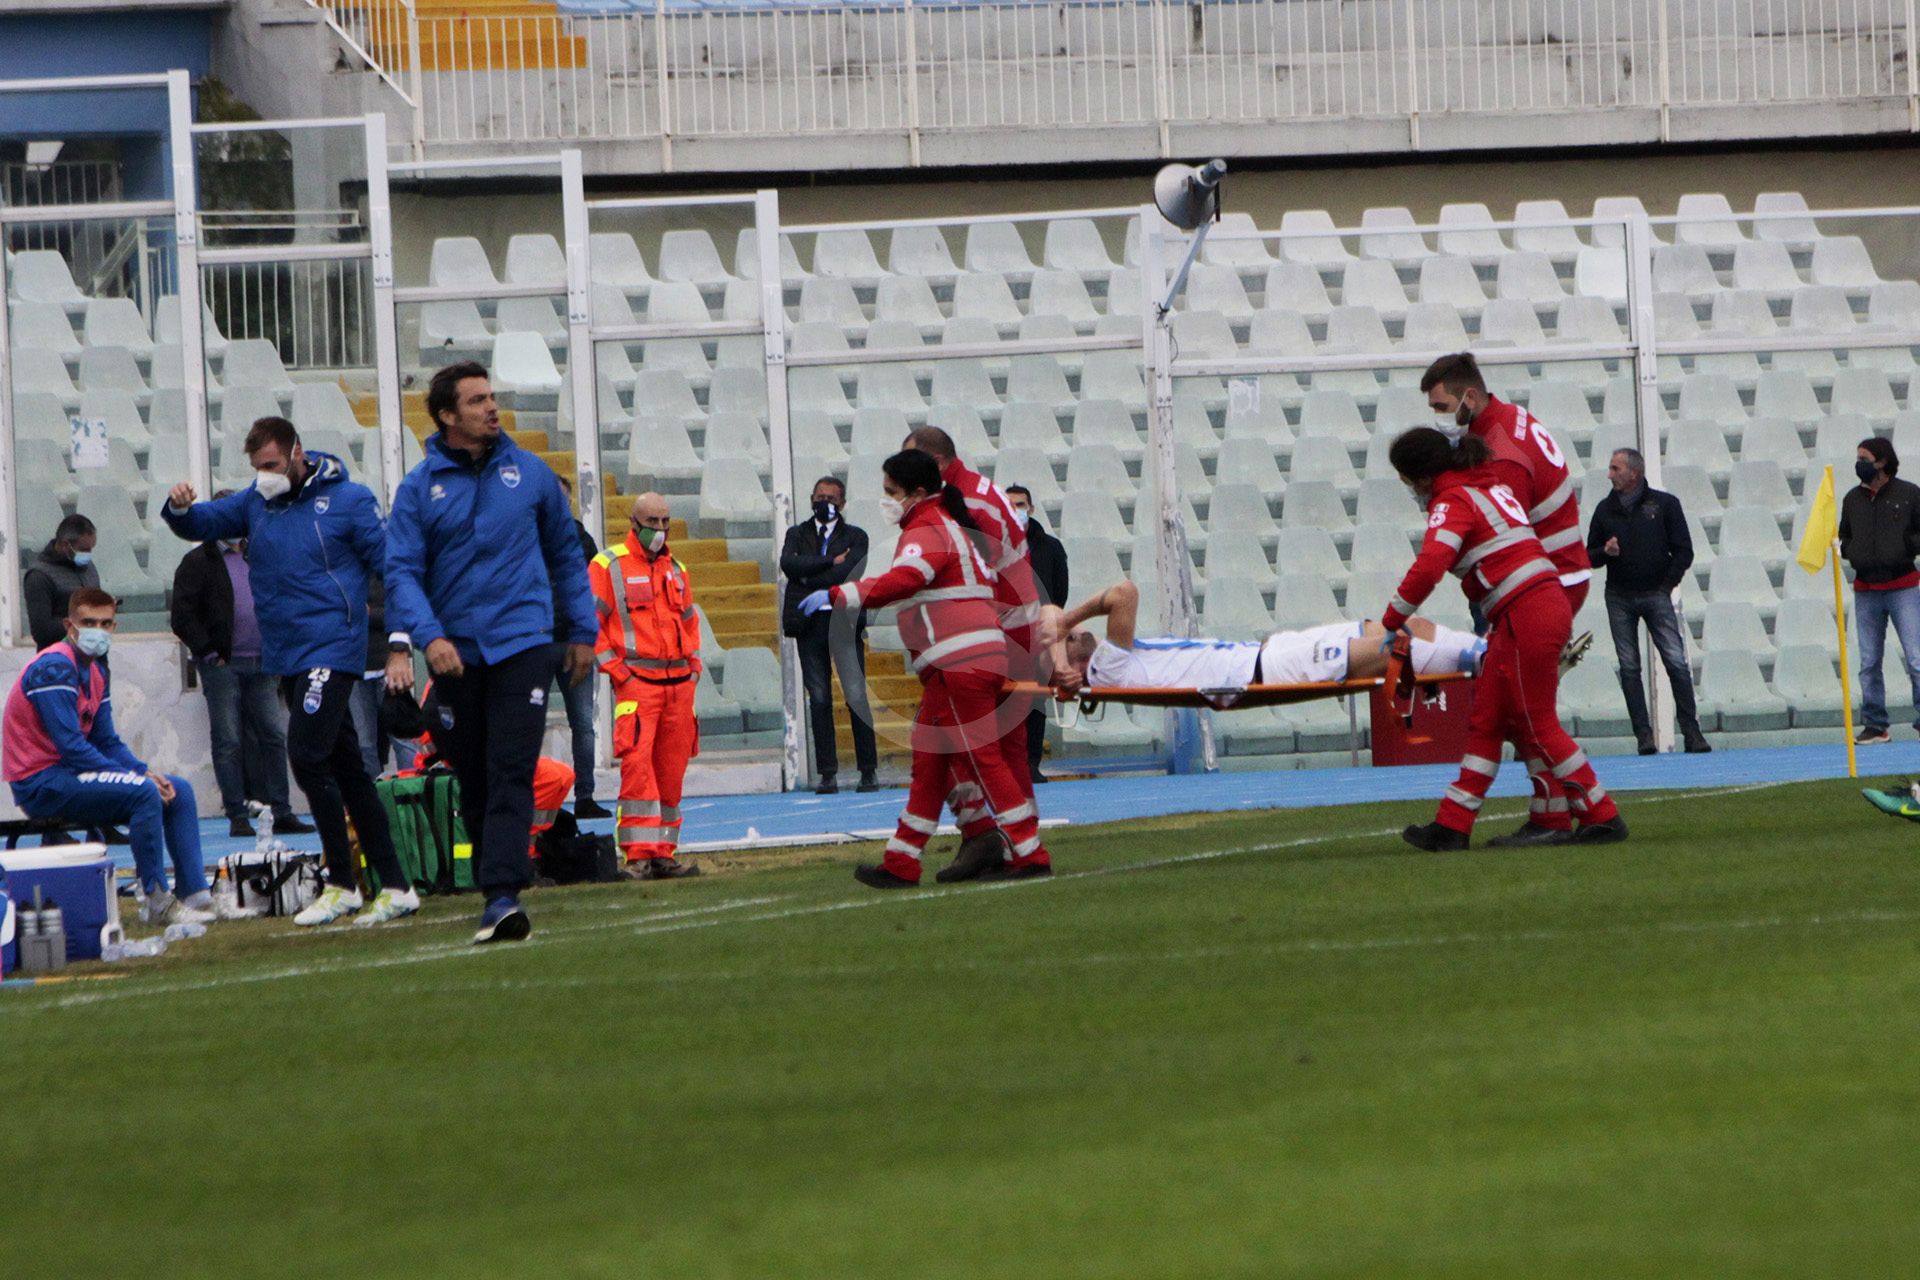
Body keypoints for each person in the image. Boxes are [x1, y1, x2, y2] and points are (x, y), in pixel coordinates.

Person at [162, 416, 418, 929]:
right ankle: (395, 886)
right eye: (258, 467)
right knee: (348, 769)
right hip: (287, 654)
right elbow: (200, 525)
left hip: (332, 646)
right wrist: (180, 507)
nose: (266, 475)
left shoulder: (350, 501)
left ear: (298, 452)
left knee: (305, 753)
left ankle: (342, 881)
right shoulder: (256, 502)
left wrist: (399, 644)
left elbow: (394, 568)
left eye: (273, 465)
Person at [385, 361, 597, 944]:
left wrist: (583, 631)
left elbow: (566, 555)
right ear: (447, 415)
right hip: (454, 652)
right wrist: (431, 637)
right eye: (477, 400)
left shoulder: (531, 474)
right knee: (474, 776)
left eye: (491, 396)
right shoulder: (417, 488)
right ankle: (494, 882)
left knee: (511, 767)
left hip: (524, 643)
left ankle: (503, 894)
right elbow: (400, 572)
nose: (491, 407)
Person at [799, 449, 1052, 888]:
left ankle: (1030, 852)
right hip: (964, 659)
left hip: (959, 661)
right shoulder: (949, 524)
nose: (886, 500)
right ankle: (902, 860)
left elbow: (907, 579)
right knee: (930, 760)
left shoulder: (927, 527)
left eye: (891, 491)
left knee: (982, 758)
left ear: (916, 493)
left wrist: (840, 595)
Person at [1379, 428, 1626, 850]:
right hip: (1529, 605)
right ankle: (1455, 823)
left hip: (1524, 609)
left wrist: (1392, 619)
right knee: (1489, 719)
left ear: (1421, 476)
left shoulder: (1452, 500)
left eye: (1408, 481)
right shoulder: (1486, 487)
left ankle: (1600, 813)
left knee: (1535, 720)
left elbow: (1431, 564)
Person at [1422, 351, 1602, 843]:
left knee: (1525, 708)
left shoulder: (1500, 452)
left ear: (1469, 397)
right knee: (1512, 706)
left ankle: (1559, 812)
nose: (1439, 418)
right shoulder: (1507, 423)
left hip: (1538, 584)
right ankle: (1543, 812)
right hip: (1555, 577)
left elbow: (1502, 531)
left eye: (1442, 406)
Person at [3, 589, 214, 926]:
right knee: (143, 794)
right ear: (69, 625)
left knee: (179, 790)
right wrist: (138, 780)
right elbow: (72, 746)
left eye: (105, 623)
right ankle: (157, 901)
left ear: (114, 626)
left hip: (71, 775)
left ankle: (196, 895)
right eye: (89, 623)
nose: (98, 631)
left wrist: (143, 771)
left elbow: (106, 740)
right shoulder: (54, 667)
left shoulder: (97, 670)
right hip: (41, 781)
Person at [902, 426, 1043, 882]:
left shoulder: (969, 503)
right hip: (1002, 633)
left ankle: (999, 840)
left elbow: (977, 578)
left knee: (969, 743)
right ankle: (999, 840)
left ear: (936, 464)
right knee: (981, 745)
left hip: (992, 637)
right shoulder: (973, 494)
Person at [1043, 580, 1487, 694]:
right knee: (1393, 648)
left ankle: (1485, 648)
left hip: (1272, 651)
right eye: (1070, 636)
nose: (1075, 628)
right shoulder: (1107, 668)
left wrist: (1059, 647)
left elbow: (1049, 615)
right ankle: (1490, 658)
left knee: (1407, 627)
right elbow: (1123, 592)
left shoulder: (1104, 660)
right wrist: (1062, 635)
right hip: (1267, 669)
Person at [167, 501, 312, 838]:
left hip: (263, 663)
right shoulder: (197, 562)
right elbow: (182, 616)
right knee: (228, 740)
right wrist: (209, 652)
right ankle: (237, 814)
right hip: (223, 666)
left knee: (274, 736)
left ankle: (281, 810)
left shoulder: (258, 555)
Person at [588, 493, 702, 878]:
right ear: (634, 523)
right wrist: (619, 673)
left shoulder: (677, 568)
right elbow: (590, 625)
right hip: (638, 683)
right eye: (653, 521)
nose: (660, 529)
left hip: (679, 685)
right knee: (638, 769)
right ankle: (638, 856)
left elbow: (690, 622)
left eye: (665, 521)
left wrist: (694, 667)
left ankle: (664, 854)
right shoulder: (608, 565)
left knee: (671, 772)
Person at [1585, 447, 1710, 755]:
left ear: (1634, 473)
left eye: (1615, 469)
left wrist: (1667, 585)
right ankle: (1643, 736)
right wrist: (1605, 552)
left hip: (1656, 594)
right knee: (1629, 667)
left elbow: (1684, 551)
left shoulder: (1665, 505)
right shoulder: (1604, 510)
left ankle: (1692, 732)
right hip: (1619, 596)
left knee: (1675, 662)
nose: (1610, 475)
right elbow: (1588, 556)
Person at [780, 475, 878, 795]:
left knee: (856, 695)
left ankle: (868, 770)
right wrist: (828, 562)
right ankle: (827, 773)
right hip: (808, 624)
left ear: (842, 503)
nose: (825, 503)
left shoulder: (856, 536)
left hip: (844, 623)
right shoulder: (797, 533)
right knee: (819, 698)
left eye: (832, 499)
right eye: (820, 497)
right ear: (811, 499)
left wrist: (809, 577)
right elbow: (788, 564)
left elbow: (849, 571)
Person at [1840, 437, 1920, 745]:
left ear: (1883, 461)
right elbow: (1844, 535)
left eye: (1864, 458)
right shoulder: (1852, 499)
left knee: (1916, 658)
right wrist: (1851, 551)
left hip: (1903, 587)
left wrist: (1906, 547)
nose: (1859, 463)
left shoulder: (1909, 494)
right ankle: (1875, 725)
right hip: (1866, 589)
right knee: (1869, 661)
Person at [554, 474, 609, 818]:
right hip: (538, 643)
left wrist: (585, 636)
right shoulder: (524, 536)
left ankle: (585, 795)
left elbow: (593, 589)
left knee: (584, 723)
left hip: (573, 643)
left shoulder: (581, 539)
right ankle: (533, 795)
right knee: (525, 723)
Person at [1005, 484, 1068, 783]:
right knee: (1003, 699)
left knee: (1035, 699)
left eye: (1020, 504)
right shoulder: (992, 548)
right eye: (1009, 505)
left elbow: (1059, 591)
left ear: (1030, 508)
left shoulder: (1050, 547)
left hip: (1038, 635)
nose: (1016, 510)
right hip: (1004, 634)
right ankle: (1006, 763)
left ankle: (1031, 763)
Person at [23, 515, 101, 650]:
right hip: (58, 656)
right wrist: (83, 624)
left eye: (91, 549)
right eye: (84, 550)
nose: (88, 554)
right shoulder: (39, 576)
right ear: (65, 545)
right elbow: (42, 631)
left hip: (90, 654)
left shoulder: (87, 566)